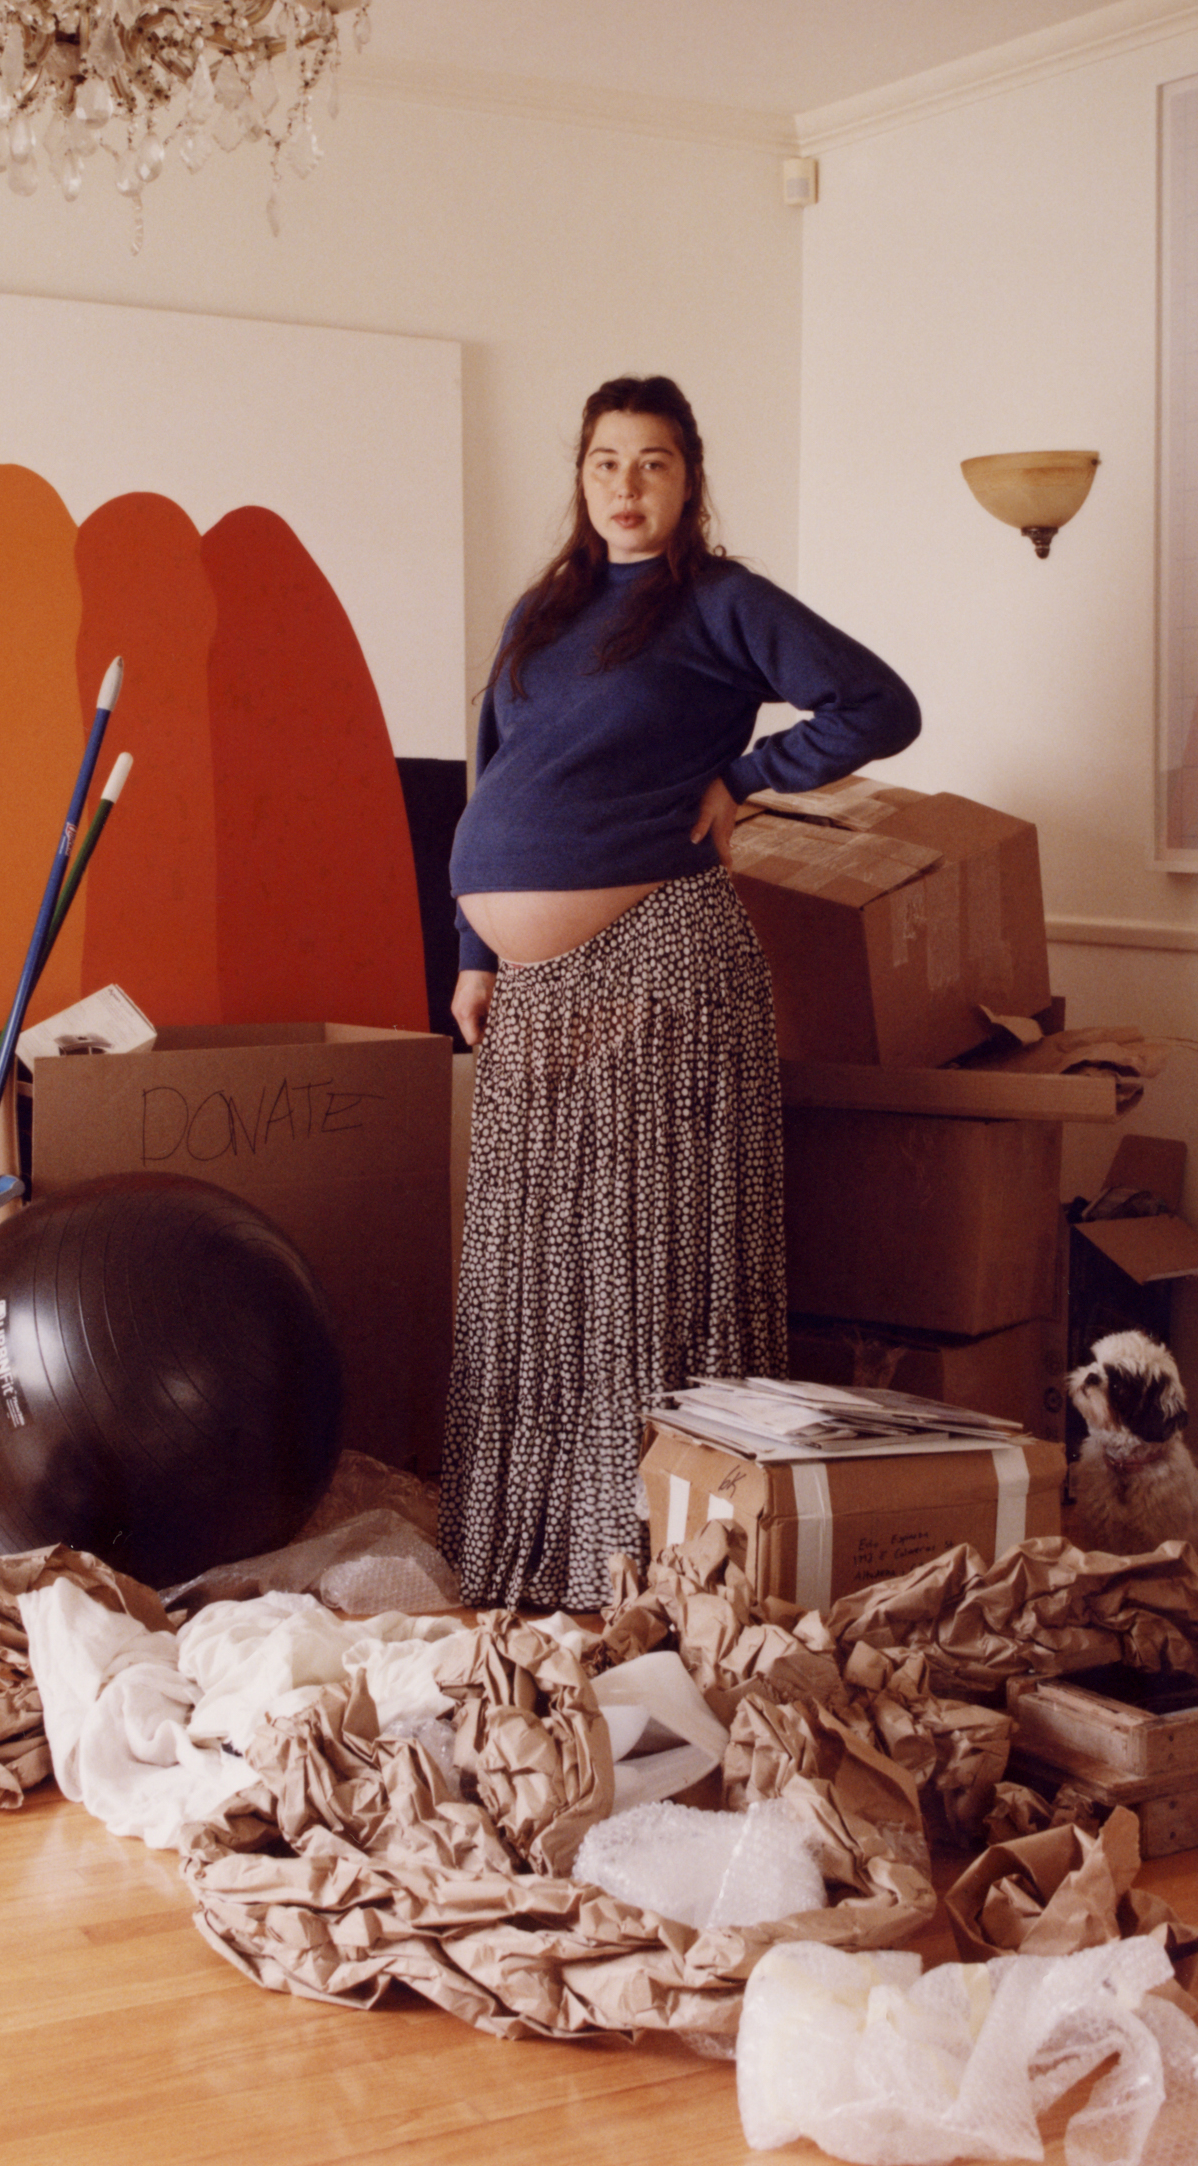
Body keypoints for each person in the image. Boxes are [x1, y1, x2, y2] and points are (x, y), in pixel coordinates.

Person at [440, 375, 920, 1610]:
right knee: (536, 1259)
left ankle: (634, 1556)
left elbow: (879, 704)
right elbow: (496, 774)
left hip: (657, 956)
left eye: (652, 461)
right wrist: (475, 951)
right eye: (605, 461)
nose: (626, 485)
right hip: (531, 987)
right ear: (580, 475)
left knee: (638, 1258)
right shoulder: (541, 611)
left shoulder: (719, 600)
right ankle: (532, 1548)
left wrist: (747, 776)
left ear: (688, 478)